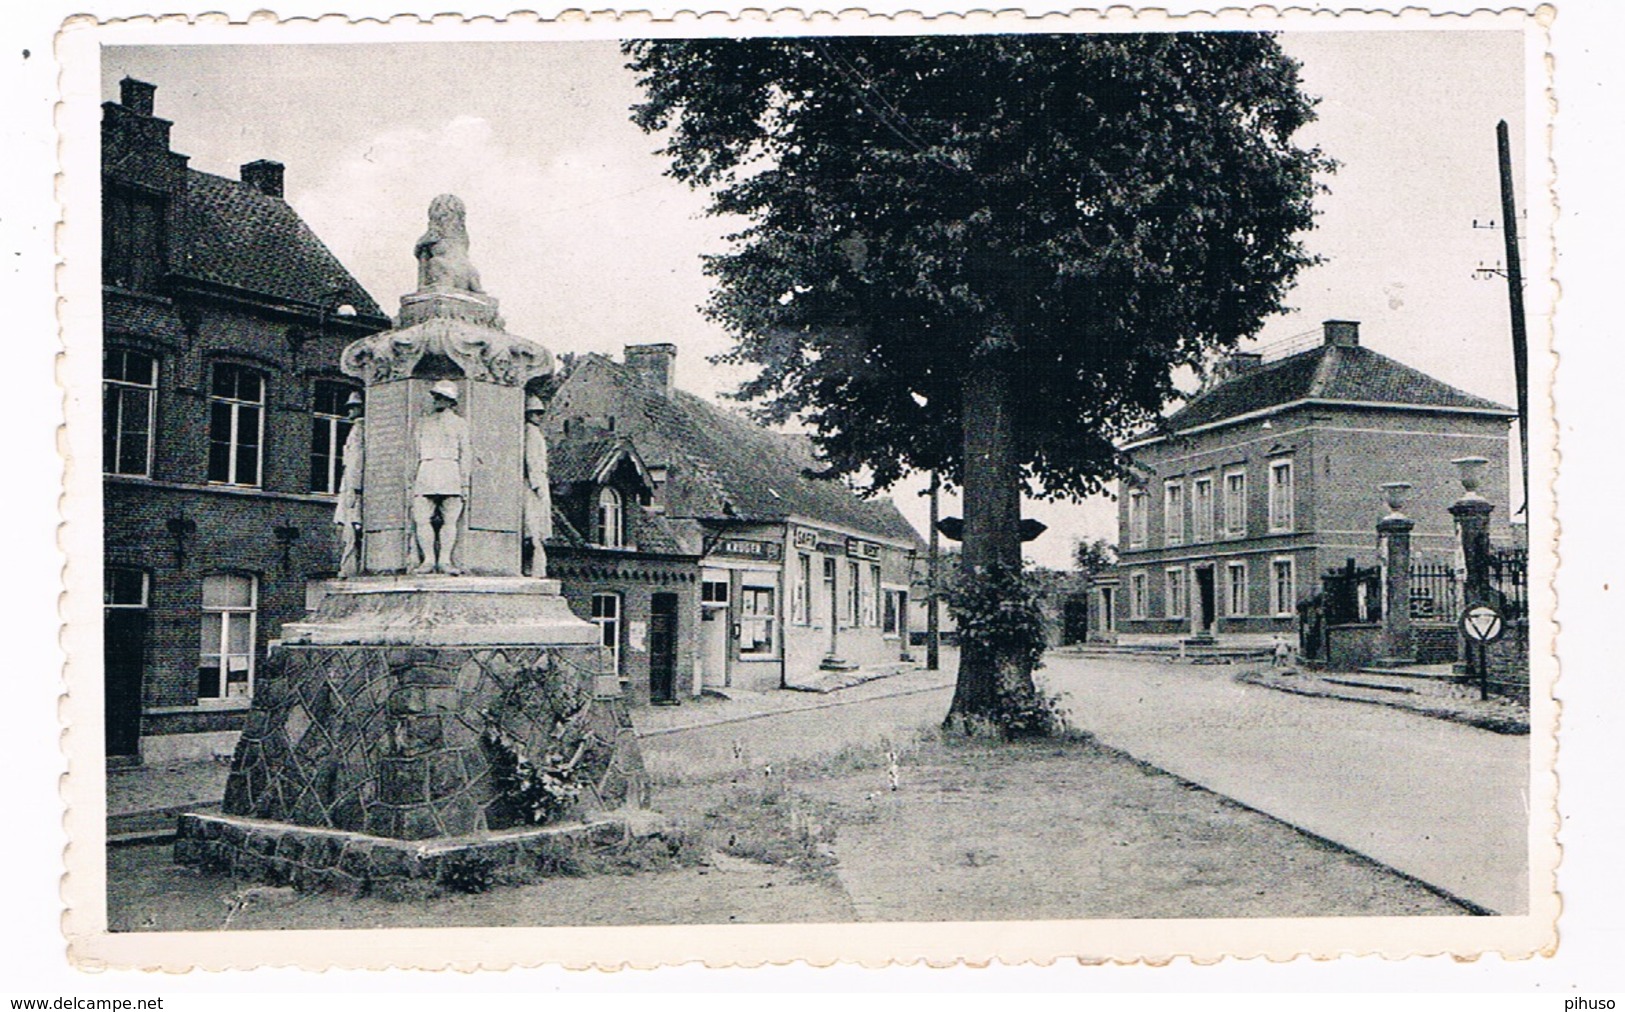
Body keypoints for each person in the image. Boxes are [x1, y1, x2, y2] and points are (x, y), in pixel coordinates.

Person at [412, 380, 471, 575]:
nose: (436, 400)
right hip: (426, 470)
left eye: (440, 397)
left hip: (450, 470)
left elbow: (466, 454)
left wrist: (465, 483)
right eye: (435, 396)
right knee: (421, 518)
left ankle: (445, 560)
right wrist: (411, 479)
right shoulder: (423, 422)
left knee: (450, 519)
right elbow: (413, 453)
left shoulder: (460, 424)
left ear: (450, 400)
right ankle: (428, 560)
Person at [333, 390, 365, 576]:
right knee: (346, 526)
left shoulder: (359, 429)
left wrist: (354, 488)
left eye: (353, 407)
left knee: (352, 527)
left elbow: (356, 460)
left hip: (352, 486)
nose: (349, 411)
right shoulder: (355, 429)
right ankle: (349, 565)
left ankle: (350, 567)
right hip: (348, 484)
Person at [521, 392, 552, 577]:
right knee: (533, 527)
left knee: (537, 526)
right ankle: (534, 567)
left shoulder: (534, 432)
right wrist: (538, 486)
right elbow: (532, 460)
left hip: (539, 480)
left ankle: (535, 567)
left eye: (540, 413)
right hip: (535, 484)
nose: (539, 417)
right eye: (536, 413)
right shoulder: (530, 432)